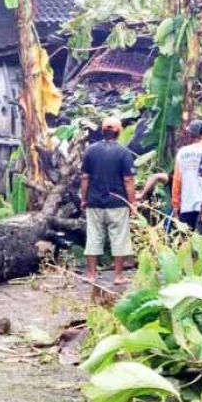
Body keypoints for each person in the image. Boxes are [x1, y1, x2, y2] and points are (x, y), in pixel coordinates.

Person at [81, 117, 137, 285]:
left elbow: (84, 177)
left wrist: (84, 199)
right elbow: (128, 180)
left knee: (93, 236)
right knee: (119, 238)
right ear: (118, 132)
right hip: (117, 202)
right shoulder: (124, 153)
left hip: (95, 202)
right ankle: (118, 276)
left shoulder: (90, 150)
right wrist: (132, 202)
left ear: (102, 131)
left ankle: (91, 274)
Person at [171, 120, 202, 229]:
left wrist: (175, 205)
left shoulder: (182, 153)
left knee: (187, 241)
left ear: (191, 135)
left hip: (186, 206)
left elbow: (177, 181)